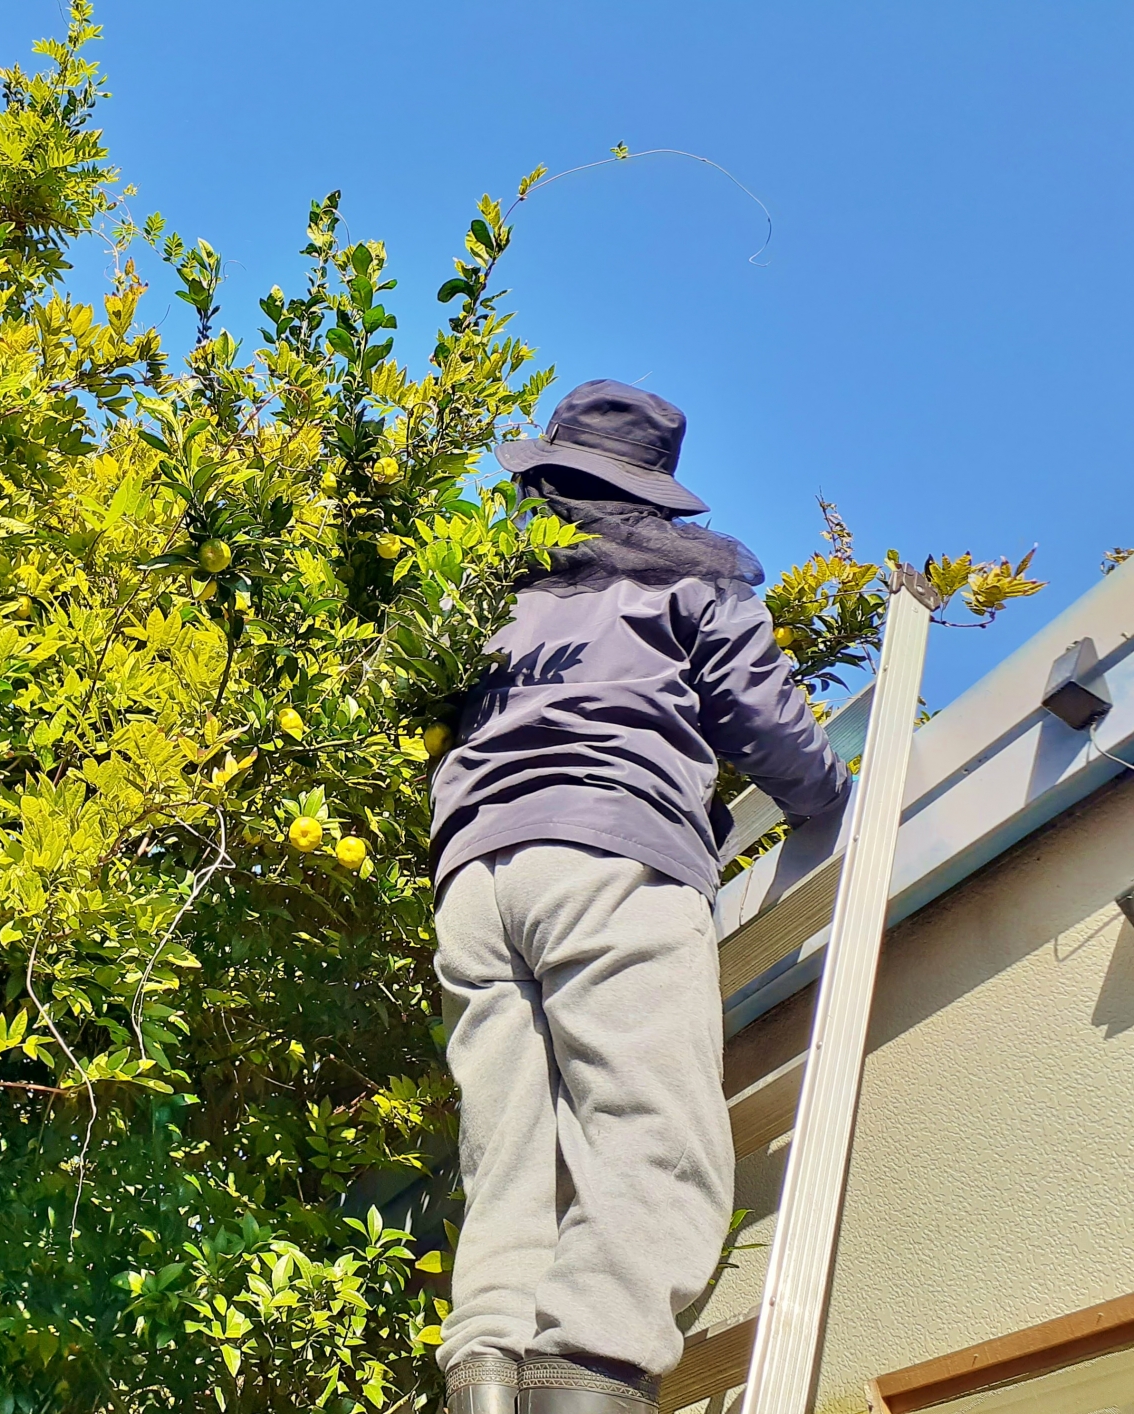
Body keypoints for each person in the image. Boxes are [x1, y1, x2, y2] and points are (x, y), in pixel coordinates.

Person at [428, 380, 851, 1414]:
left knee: (509, 1144)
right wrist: (832, 798)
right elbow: (767, 722)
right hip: (611, 854)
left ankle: (485, 1358)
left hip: (474, 881)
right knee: (651, 1125)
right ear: (653, 496)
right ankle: (593, 1369)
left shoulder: (489, 589)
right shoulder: (686, 582)